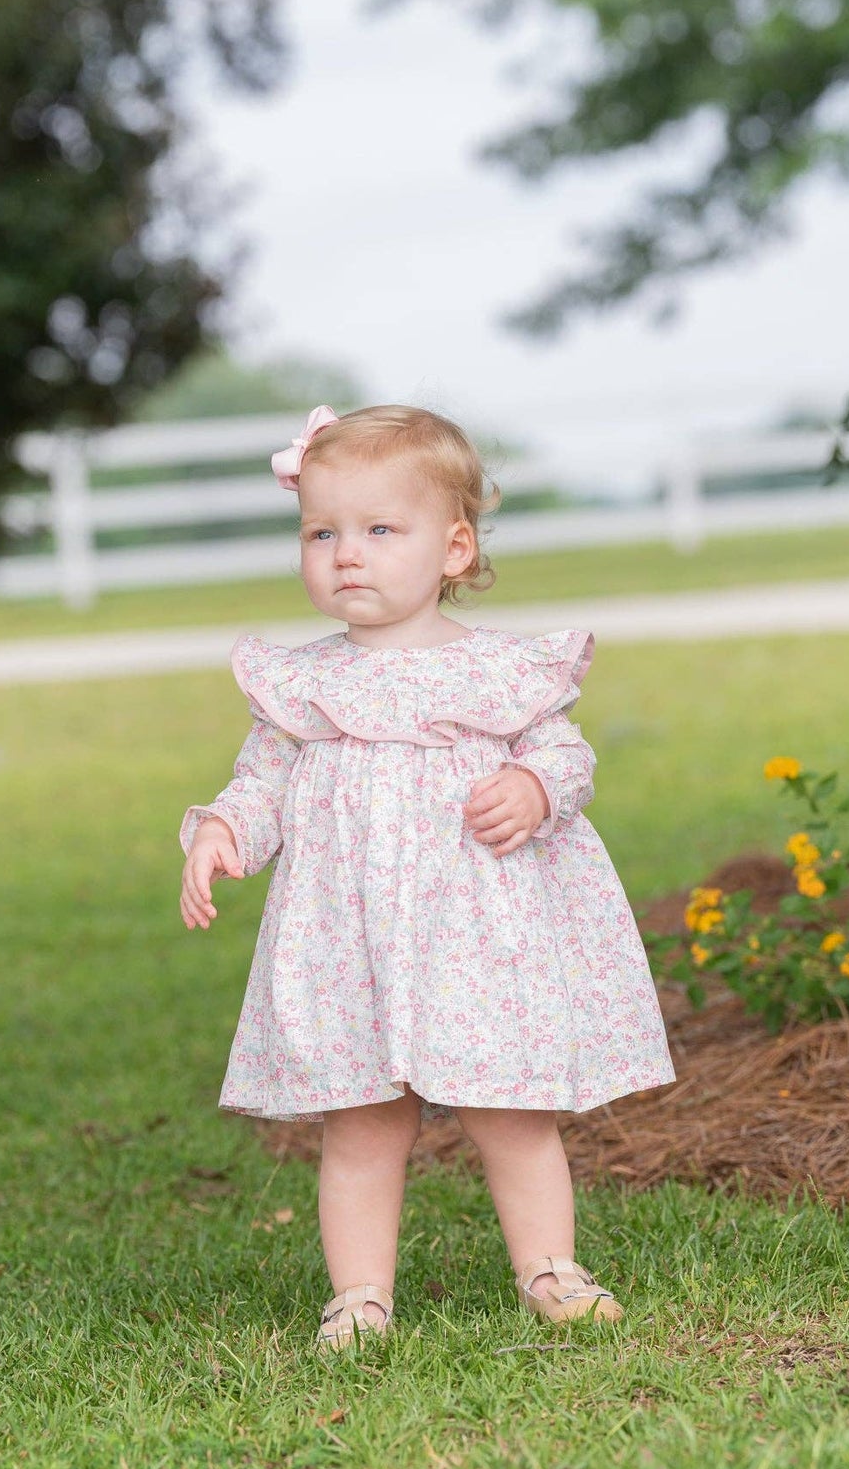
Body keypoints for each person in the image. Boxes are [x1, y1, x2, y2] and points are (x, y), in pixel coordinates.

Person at [178, 403, 674, 1348]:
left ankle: (550, 1267)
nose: (345, 555)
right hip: (349, 938)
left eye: (376, 530)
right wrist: (221, 832)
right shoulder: (305, 686)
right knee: (361, 1123)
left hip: (479, 933)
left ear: (453, 548)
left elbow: (566, 756)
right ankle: (358, 1295)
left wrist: (534, 785)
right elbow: (263, 786)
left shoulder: (497, 672)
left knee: (510, 1110)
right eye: (321, 532)